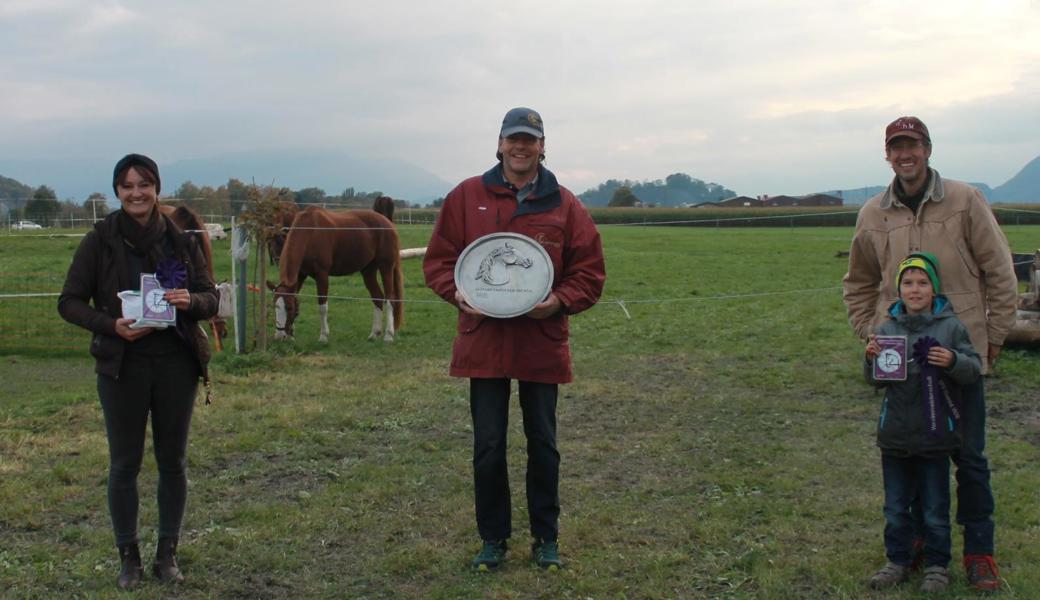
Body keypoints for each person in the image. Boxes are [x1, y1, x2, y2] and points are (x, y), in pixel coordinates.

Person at [423, 107, 606, 571]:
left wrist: (560, 301)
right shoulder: (467, 196)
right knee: (488, 446)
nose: (521, 147)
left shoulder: (564, 204)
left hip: (540, 343)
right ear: (500, 144)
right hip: (483, 342)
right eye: (513, 139)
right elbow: (440, 262)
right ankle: (493, 538)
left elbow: (589, 272)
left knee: (543, 442)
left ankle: (546, 537)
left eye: (530, 139)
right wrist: (457, 295)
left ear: (543, 146)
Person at [843, 117, 1017, 591]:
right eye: (896, 147)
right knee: (912, 453)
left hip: (959, 359)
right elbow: (858, 282)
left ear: (928, 149)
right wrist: (870, 332)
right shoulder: (872, 214)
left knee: (971, 459)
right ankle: (916, 547)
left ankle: (979, 553)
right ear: (887, 155)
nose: (905, 155)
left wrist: (993, 339)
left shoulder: (964, 200)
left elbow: (1000, 271)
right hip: (902, 367)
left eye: (913, 146)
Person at [58, 154, 218, 589]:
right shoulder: (100, 240)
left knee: (173, 461)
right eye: (127, 186)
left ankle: (168, 553)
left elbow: (210, 297)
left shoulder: (181, 240)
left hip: (174, 364)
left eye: (143, 184)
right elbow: (68, 302)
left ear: (157, 189)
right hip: (122, 365)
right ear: (117, 191)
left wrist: (191, 302)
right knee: (124, 464)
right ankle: (128, 556)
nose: (136, 193)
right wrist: (111, 326)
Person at [865, 253, 981, 593]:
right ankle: (897, 561)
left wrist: (953, 359)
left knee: (934, 508)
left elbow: (973, 369)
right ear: (898, 289)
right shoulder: (886, 329)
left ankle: (936, 566)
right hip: (895, 437)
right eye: (908, 283)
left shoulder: (951, 327)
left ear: (934, 288)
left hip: (935, 437)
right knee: (895, 507)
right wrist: (870, 359)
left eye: (922, 282)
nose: (915, 290)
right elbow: (875, 382)